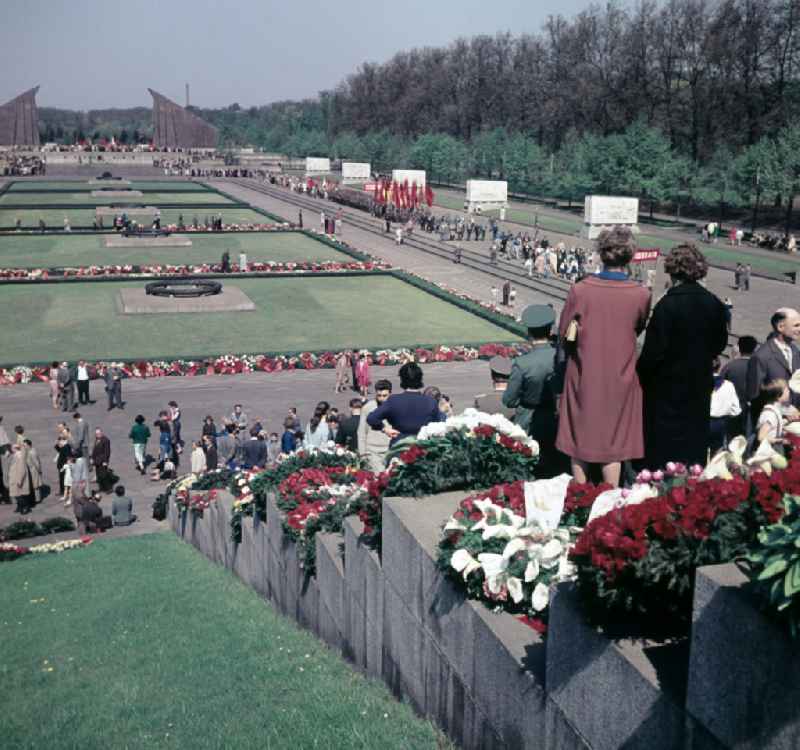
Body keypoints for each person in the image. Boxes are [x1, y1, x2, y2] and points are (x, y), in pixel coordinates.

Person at [557, 228, 651, 486]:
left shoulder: (581, 290)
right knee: (614, 444)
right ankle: (609, 501)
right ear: (630, 256)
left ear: (601, 254)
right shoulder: (641, 294)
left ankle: (579, 498)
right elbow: (638, 326)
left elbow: (564, 334)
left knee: (579, 439)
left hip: (584, 374)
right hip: (621, 377)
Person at [638, 244, 729, 470]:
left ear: (672, 270)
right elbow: (720, 344)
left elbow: (652, 353)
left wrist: (641, 375)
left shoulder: (667, 305)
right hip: (698, 386)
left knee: (662, 453)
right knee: (693, 449)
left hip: (665, 391)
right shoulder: (714, 303)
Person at [503, 307, 561, 476]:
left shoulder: (522, 363)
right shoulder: (561, 357)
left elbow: (509, 400)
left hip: (528, 420)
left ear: (529, 332)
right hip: (557, 418)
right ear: (550, 330)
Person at [746, 308, 800, 419]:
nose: (799, 329)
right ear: (780, 327)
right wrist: (783, 411)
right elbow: (754, 396)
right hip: (771, 424)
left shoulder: (795, 351)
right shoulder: (761, 356)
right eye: (796, 325)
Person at [366, 363, 439, 443]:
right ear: (420, 379)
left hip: (400, 446)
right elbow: (438, 425)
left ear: (402, 379)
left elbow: (371, 418)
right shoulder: (431, 402)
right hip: (422, 447)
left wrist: (384, 429)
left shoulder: (393, 400)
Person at [723, 335, 758, 438]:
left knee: (732, 439)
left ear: (739, 347)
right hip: (752, 411)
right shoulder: (759, 367)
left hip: (732, 410)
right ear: (755, 348)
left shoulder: (730, 366)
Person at [358, 379, 393, 471]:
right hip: (372, 451)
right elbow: (361, 432)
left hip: (390, 450)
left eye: (385, 396)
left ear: (390, 393)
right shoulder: (368, 408)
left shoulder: (396, 407)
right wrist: (362, 454)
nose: (381, 398)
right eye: (379, 395)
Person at [709, 357, 742, 454]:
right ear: (719, 368)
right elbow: (736, 410)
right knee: (717, 454)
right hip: (720, 423)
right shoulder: (728, 385)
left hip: (702, 422)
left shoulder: (699, 383)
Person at [756, 379, 790, 447]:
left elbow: (773, 426)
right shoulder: (770, 414)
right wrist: (780, 441)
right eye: (786, 390)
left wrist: (787, 421)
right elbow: (761, 437)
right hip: (769, 451)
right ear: (778, 396)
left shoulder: (774, 410)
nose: (789, 392)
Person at [9, 444, 32, 514]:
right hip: (14, 478)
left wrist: (19, 480)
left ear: (15, 449)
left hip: (18, 479)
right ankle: (19, 506)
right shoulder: (16, 455)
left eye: (12, 448)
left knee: (19, 495)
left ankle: (26, 507)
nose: (11, 449)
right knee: (16, 495)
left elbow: (22, 470)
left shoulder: (20, 457)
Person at [92, 428, 114, 492]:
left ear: (101, 433)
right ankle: (101, 487)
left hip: (102, 461)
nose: (97, 435)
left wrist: (105, 461)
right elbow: (95, 450)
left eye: (99, 433)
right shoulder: (97, 439)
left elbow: (107, 452)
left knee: (103, 475)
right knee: (99, 475)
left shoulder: (106, 440)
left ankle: (109, 488)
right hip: (97, 461)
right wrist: (92, 458)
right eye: (96, 434)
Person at [24, 439, 43, 505]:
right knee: (34, 485)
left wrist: (39, 471)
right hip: (31, 470)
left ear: (29, 445)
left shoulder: (32, 452)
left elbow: (36, 463)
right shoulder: (29, 451)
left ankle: (37, 499)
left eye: (25, 445)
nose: (24, 447)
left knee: (36, 485)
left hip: (34, 471)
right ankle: (35, 498)